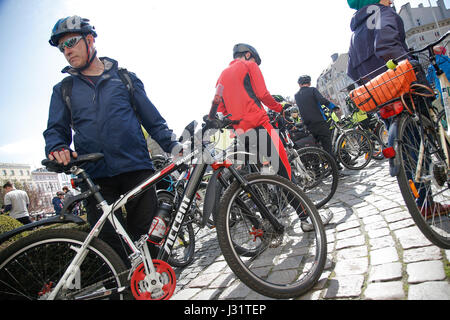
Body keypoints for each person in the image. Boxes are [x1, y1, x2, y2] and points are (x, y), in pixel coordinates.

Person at [43, 16, 180, 262]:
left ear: (90, 39)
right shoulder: (64, 89)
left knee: (148, 240)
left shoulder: (124, 78)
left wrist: (173, 145)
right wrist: (57, 147)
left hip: (136, 168)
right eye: (62, 47)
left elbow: (153, 120)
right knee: (109, 249)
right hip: (95, 177)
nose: (66, 50)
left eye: (71, 42)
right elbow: (56, 130)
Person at [347, 0, 450, 216]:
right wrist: (408, 65)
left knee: (407, 147)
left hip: (379, 95)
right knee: (420, 137)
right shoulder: (379, 13)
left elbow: (352, 71)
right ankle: (427, 200)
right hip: (401, 86)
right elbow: (385, 45)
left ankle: (422, 200)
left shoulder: (355, 32)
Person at [215, 43, 292, 180]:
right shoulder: (249, 65)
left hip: (242, 133)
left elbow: (221, 109)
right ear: (248, 54)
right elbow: (262, 94)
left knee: (260, 172)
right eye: (255, 61)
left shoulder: (221, 76)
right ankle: (296, 202)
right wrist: (279, 108)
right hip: (259, 125)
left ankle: (269, 199)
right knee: (282, 166)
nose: (255, 64)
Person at [294, 75, 340, 163]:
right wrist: (333, 107)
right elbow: (322, 100)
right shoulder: (312, 90)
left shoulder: (296, 95)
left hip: (308, 125)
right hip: (319, 122)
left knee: (315, 148)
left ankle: (319, 168)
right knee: (327, 147)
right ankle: (336, 168)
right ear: (310, 83)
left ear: (299, 84)